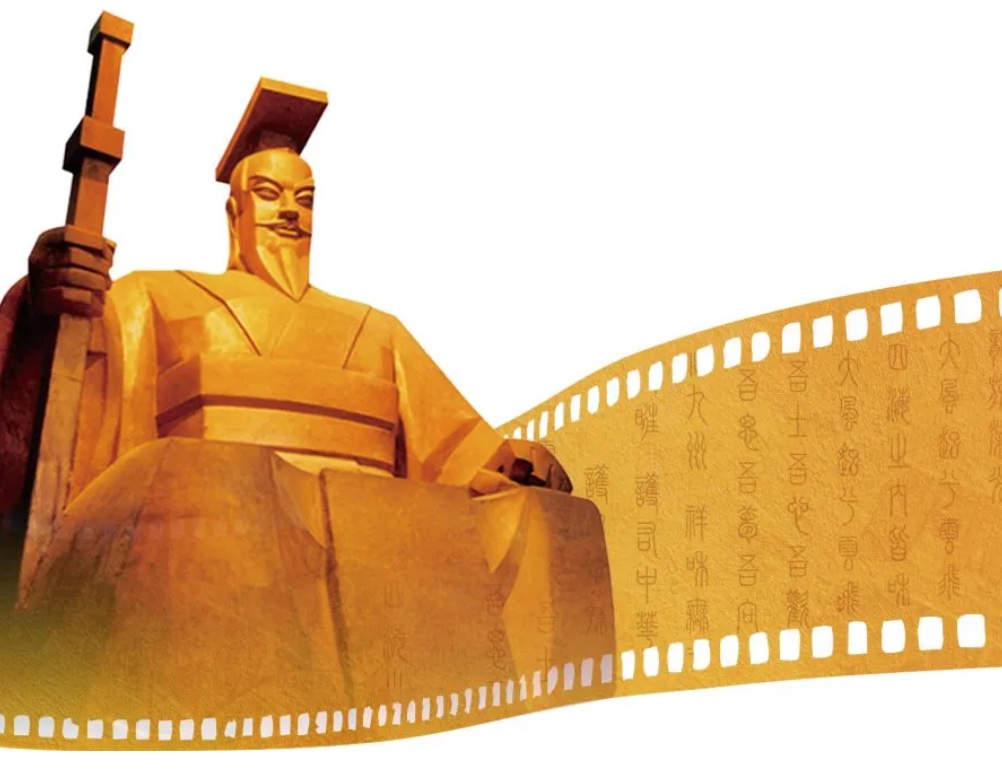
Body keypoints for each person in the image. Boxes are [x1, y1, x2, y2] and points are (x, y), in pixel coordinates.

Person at [0, 79, 614, 720]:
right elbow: (69, 393)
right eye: (269, 194)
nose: (290, 212)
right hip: (229, 502)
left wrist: (512, 460)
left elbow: (455, 448)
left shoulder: (375, 329)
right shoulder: (157, 294)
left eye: (306, 199)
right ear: (234, 214)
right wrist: (46, 305)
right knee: (211, 484)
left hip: (373, 522)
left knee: (549, 522)